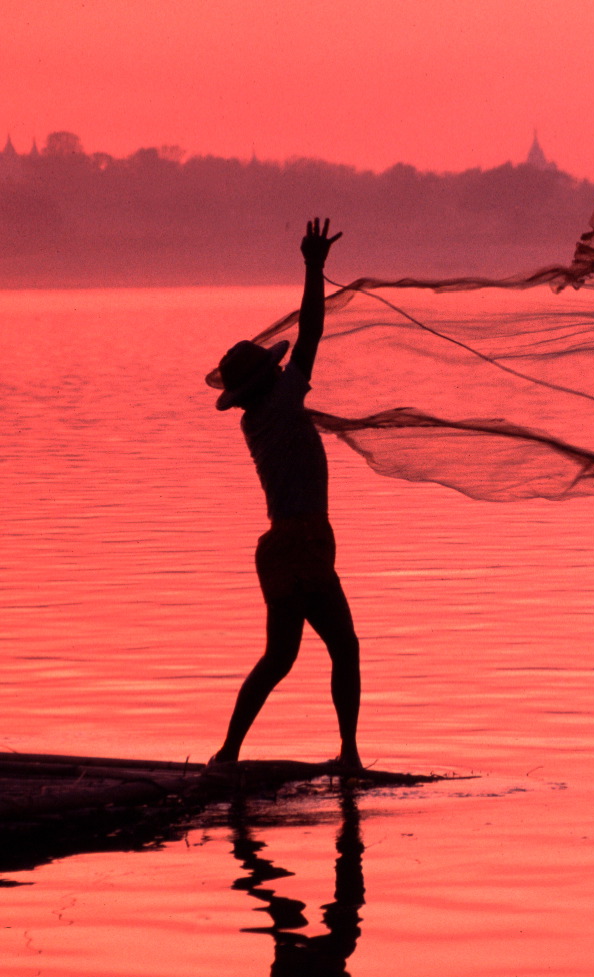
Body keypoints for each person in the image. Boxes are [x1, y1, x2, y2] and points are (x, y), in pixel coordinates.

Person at [210, 218, 361, 769]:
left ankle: (228, 755)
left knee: (283, 657)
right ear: (268, 381)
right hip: (301, 544)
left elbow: (306, 344)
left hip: (288, 545)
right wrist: (314, 269)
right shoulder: (280, 402)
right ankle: (346, 755)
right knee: (336, 648)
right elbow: (313, 332)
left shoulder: (259, 417)